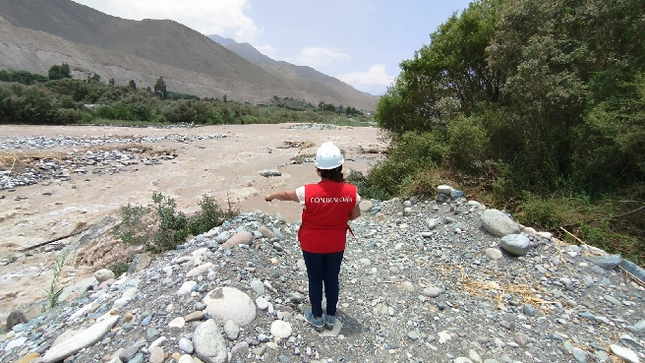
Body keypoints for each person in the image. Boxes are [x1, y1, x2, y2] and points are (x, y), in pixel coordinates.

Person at [264, 142, 361, 330]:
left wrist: (271, 195)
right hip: (336, 244)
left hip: (312, 245)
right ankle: (331, 316)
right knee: (332, 279)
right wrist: (338, 217)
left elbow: (285, 194)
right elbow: (355, 214)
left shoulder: (306, 192)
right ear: (340, 167)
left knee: (315, 279)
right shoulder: (351, 192)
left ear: (318, 170)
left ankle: (316, 316)